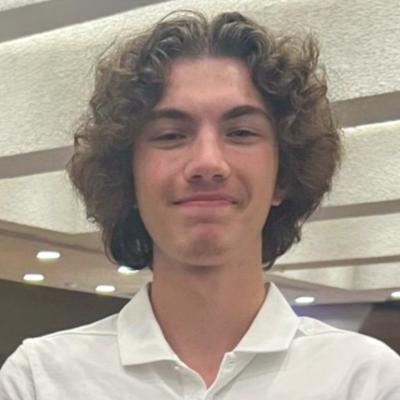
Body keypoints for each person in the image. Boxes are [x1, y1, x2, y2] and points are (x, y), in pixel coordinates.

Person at [1, 10, 399, 400]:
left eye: (240, 132)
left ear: (283, 175)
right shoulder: (39, 379)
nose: (208, 162)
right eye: (171, 135)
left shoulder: (365, 379)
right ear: (127, 176)